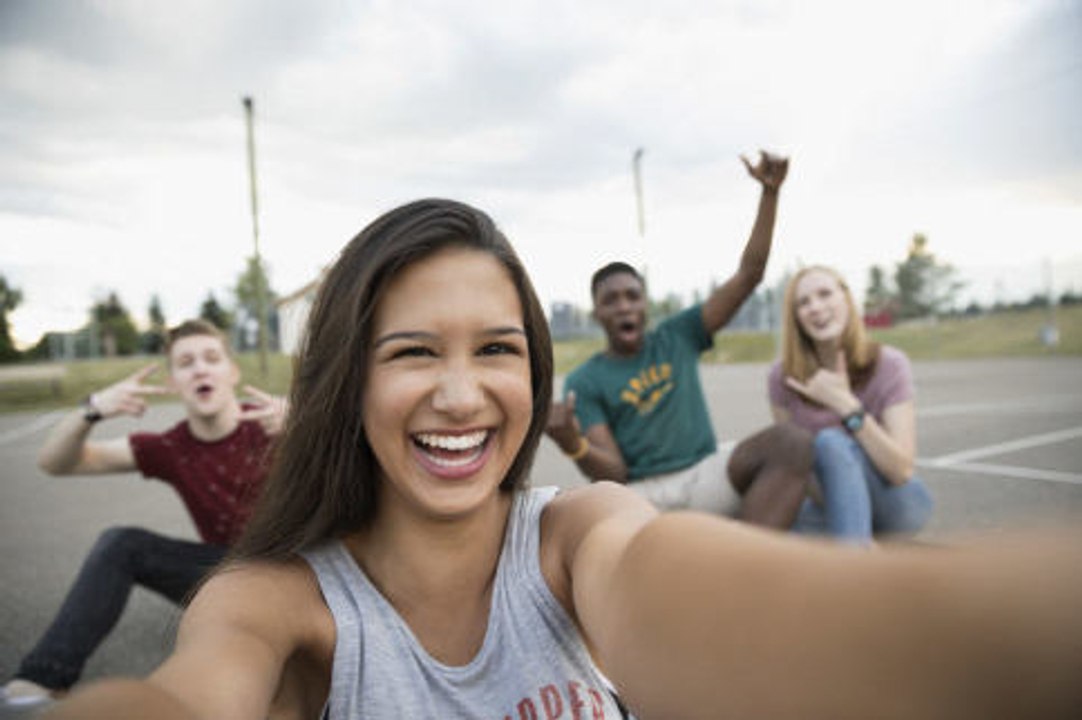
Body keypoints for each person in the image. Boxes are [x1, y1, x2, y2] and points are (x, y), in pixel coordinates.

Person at [42, 199, 1082, 720]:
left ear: (532, 373)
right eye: (410, 353)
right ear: (345, 384)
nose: (460, 393)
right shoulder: (275, 603)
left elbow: (680, 580)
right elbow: (180, 701)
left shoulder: (577, 535)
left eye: (496, 350)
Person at [1, 319, 286, 708]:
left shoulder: (276, 423)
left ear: (231, 372)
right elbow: (56, 462)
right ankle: (38, 683)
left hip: (297, 567)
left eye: (211, 358)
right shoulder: (171, 447)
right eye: (186, 362)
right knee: (121, 544)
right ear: (173, 382)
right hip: (227, 574)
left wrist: (303, 429)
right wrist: (92, 409)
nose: (200, 368)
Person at [547, 151, 812, 528]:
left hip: (705, 477)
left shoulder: (678, 334)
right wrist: (573, 443)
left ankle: (749, 569)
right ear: (596, 315)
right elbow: (615, 474)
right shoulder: (585, 380)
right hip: (643, 495)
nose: (623, 307)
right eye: (611, 300)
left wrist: (769, 195)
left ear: (645, 306)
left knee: (793, 442)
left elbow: (749, 275)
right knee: (570, 515)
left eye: (632, 297)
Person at [769, 265, 934, 544]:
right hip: (828, 504)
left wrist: (844, 404)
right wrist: (844, 502)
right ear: (796, 318)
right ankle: (858, 541)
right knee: (767, 520)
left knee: (831, 442)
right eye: (803, 303)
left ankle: (854, 567)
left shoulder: (890, 364)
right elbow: (795, 466)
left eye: (825, 294)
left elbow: (901, 470)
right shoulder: (783, 376)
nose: (816, 307)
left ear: (846, 299)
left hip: (896, 502)